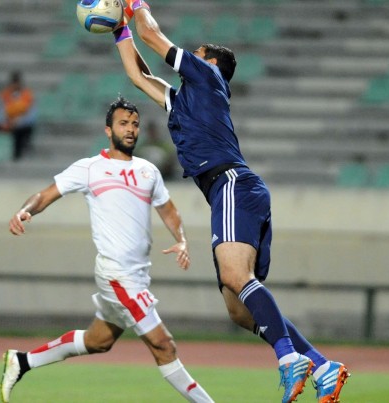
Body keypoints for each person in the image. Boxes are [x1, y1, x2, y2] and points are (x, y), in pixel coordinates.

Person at [111, 2, 350, 403]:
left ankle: (288, 357)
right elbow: (138, 75)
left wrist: (135, 6)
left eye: (198, 53)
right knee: (239, 309)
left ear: (210, 63)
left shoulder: (207, 76)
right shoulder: (186, 102)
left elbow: (152, 36)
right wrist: (118, 28)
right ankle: (322, 365)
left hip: (232, 184)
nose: (192, 56)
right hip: (234, 190)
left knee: (238, 278)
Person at [0, 97, 213, 403]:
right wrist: (25, 211)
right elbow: (45, 194)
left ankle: (22, 361)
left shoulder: (148, 171)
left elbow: (168, 210)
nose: (130, 130)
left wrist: (181, 238)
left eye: (135, 124)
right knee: (164, 345)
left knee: (98, 341)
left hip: (137, 277)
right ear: (108, 130)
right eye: (123, 123)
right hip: (117, 275)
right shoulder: (90, 168)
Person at [0, 70, 37, 161]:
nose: (14, 85)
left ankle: (16, 157)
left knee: (20, 132)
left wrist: (19, 121)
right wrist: (5, 122)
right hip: (7, 123)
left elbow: (32, 116)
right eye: (13, 83)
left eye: (16, 82)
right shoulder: (6, 95)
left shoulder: (27, 95)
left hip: (21, 124)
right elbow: (0, 112)